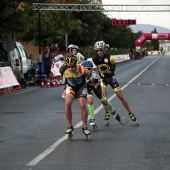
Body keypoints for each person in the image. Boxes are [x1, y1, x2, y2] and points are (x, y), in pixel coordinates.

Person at [92, 40, 138, 124]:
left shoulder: (110, 58)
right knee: (103, 95)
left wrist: (111, 73)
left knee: (120, 96)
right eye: (97, 50)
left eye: (101, 50)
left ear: (104, 49)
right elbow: (97, 68)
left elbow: (114, 66)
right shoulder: (95, 59)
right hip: (102, 78)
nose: (99, 52)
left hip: (111, 77)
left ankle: (130, 112)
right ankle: (106, 113)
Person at [81, 60, 123, 129]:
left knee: (104, 102)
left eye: (89, 69)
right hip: (88, 88)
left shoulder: (94, 75)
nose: (87, 70)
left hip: (96, 87)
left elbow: (99, 81)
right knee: (90, 100)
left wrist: (94, 87)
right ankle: (92, 118)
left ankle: (113, 112)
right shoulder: (81, 76)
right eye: (85, 68)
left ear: (91, 69)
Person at [59, 54, 91, 138]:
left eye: (72, 66)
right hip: (70, 86)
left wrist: (88, 79)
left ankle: (85, 127)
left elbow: (89, 73)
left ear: (76, 64)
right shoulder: (62, 69)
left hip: (81, 86)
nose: (70, 69)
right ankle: (69, 126)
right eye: (68, 67)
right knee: (68, 103)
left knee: (83, 105)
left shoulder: (81, 68)